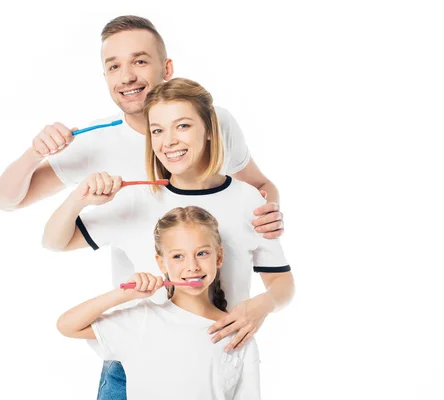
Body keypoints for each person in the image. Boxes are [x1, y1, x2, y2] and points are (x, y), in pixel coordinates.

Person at [0, 15, 285, 400]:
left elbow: (258, 186)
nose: (127, 76)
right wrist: (36, 153)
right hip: (141, 343)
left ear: (166, 68)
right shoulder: (101, 145)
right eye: (114, 66)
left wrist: (271, 213)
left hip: (221, 340)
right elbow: (6, 201)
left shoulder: (213, 120)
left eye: (140, 61)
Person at [43, 77, 295, 398]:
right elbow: (54, 241)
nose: (169, 141)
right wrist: (79, 198)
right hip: (133, 363)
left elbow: (283, 285)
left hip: (219, 357)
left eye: (183, 126)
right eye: (158, 131)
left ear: (208, 129)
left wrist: (261, 306)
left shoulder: (248, 201)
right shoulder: (137, 198)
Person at [57, 206, 261, 399]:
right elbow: (68, 326)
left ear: (218, 257)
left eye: (202, 253)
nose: (192, 266)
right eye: (178, 256)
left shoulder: (239, 332)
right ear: (161, 263)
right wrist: (123, 294)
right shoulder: (142, 319)